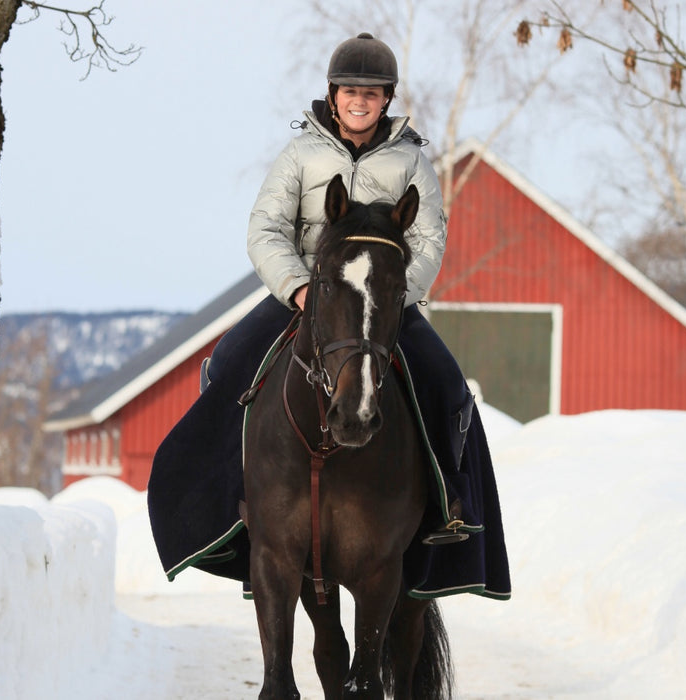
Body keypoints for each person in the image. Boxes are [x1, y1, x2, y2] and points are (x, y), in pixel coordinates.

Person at [149, 33, 510, 599]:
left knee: (446, 383)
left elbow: (430, 239)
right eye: (350, 91)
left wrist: (390, 300)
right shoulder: (300, 155)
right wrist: (299, 288)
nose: (359, 101)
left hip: (384, 304)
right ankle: (231, 503)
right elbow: (265, 229)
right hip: (306, 296)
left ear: (387, 99)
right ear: (333, 95)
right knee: (227, 364)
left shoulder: (412, 159)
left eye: (371, 92)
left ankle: (450, 505)